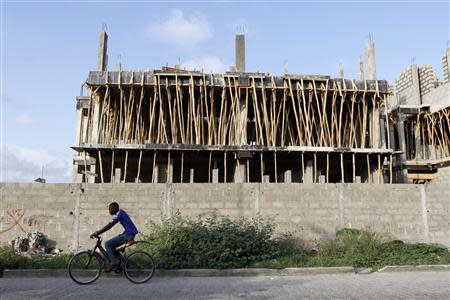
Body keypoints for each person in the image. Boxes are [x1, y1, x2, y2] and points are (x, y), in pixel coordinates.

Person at [90, 202, 138, 272]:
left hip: (128, 235)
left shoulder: (120, 214)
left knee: (108, 244)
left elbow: (109, 226)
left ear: (115, 208)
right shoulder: (121, 213)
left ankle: (114, 264)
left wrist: (97, 232)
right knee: (112, 248)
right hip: (128, 234)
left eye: (110, 209)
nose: (109, 211)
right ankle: (122, 263)